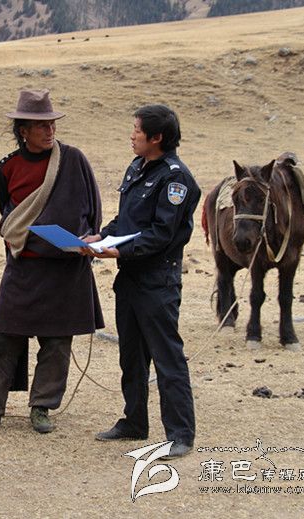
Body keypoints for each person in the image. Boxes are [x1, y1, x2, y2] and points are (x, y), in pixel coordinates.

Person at [0, 89, 104, 434]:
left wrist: (84, 241)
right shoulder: (7, 167)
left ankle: (42, 407)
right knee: (2, 336)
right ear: (23, 130)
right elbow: (12, 218)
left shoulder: (73, 160)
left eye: (51, 124)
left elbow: (93, 211)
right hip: (24, 267)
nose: (49, 130)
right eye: (41, 126)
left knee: (57, 341)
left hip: (65, 267)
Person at [82, 104, 199, 459]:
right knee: (131, 356)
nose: (131, 135)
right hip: (129, 278)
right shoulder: (137, 167)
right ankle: (134, 422)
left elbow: (162, 233)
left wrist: (118, 251)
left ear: (157, 137)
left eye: (137, 129)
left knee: (167, 358)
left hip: (157, 281)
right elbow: (128, 220)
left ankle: (180, 434)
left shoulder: (176, 179)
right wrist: (100, 237)